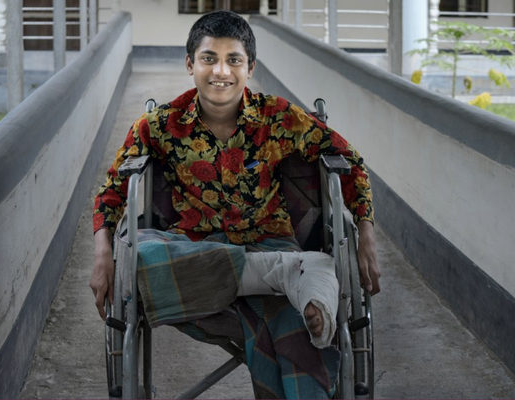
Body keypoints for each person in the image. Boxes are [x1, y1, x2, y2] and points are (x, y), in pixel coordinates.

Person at [90, 10, 380, 399]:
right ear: (190, 64)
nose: (220, 72)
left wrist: (365, 237)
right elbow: (112, 192)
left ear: (250, 67)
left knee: (291, 305)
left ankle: (286, 270)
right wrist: (102, 254)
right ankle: (292, 273)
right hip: (193, 251)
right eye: (209, 59)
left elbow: (351, 164)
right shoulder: (160, 124)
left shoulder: (276, 117)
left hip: (268, 240)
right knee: (135, 260)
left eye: (234, 60)